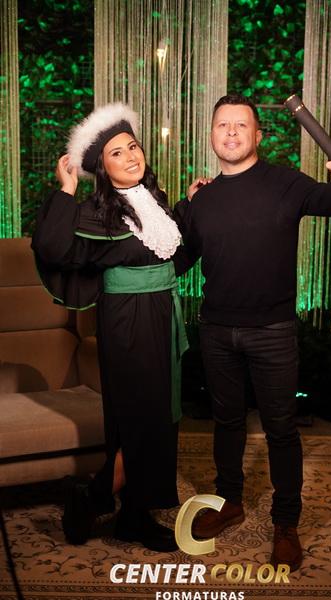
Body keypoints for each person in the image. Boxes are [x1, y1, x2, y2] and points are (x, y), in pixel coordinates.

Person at [174, 93, 331, 571]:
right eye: (223, 124)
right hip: (216, 330)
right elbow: (178, 260)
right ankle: (229, 502)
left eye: (241, 125)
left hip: (273, 332)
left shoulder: (285, 182)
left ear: (258, 135)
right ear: (212, 136)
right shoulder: (203, 199)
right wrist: (182, 204)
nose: (232, 131)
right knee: (227, 422)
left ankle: (286, 523)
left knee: (281, 429)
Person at [32, 103, 189, 552]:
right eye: (117, 153)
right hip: (127, 321)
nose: (130, 156)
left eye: (133, 147)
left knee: (156, 417)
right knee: (141, 418)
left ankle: (131, 516)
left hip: (160, 313)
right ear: (102, 167)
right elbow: (52, 246)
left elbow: (170, 257)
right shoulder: (98, 212)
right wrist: (66, 189)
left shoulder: (153, 200)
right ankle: (95, 499)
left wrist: (190, 205)